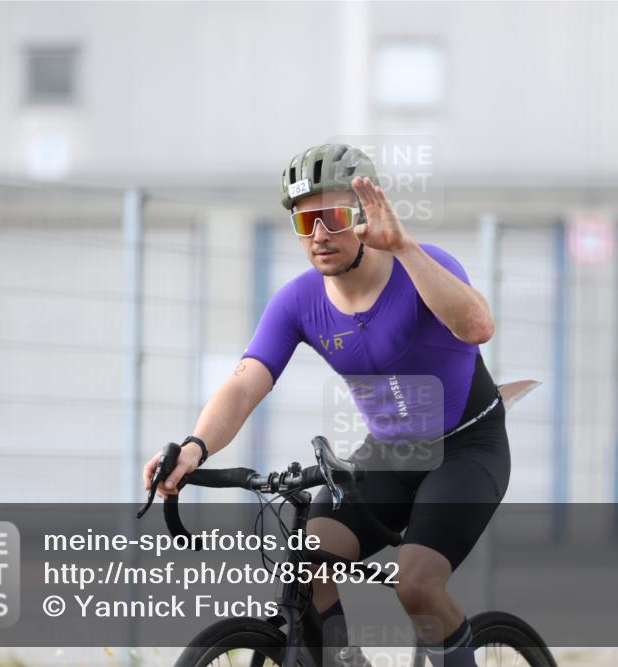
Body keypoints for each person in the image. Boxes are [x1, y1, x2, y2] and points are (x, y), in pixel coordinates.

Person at [143, 144, 510, 667]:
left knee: (417, 585)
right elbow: (245, 383)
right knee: (306, 564)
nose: (318, 234)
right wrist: (196, 447)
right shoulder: (298, 301)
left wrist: (405, 247)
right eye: (304, 221)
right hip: (387, 454)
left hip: (466, 449)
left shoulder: (426, 265)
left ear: (366, 215)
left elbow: (478, 327)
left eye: (334, 217)